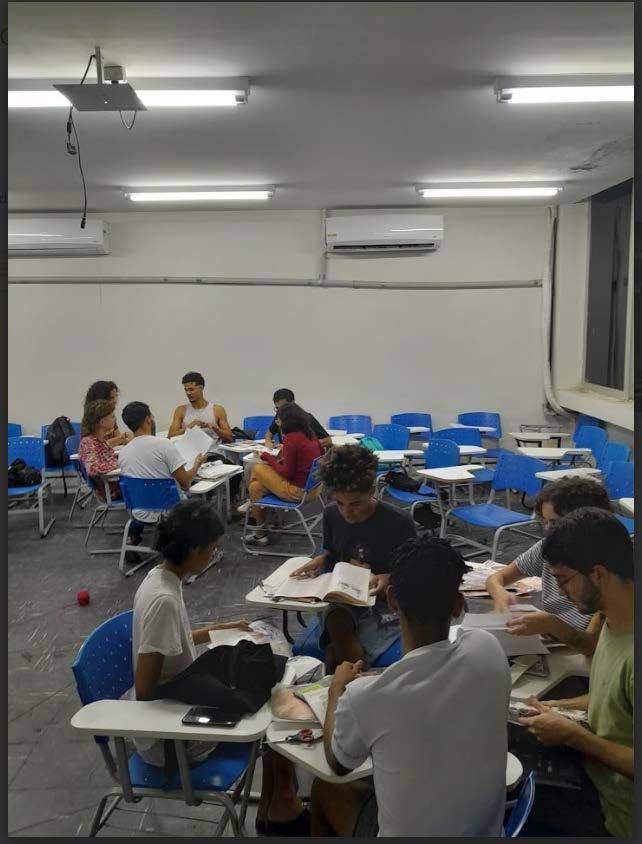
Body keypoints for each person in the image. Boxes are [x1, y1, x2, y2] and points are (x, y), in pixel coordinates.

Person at [311, 535, 512, 837]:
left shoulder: (366, 698)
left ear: (392, 599)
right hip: (486, 829)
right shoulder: (489, 650)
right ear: (458, 605)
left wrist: (335, 690)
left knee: (325, 788)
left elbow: (338, 763)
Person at [518, 508, 633, 838]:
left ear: (597, 574)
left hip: (614, 810)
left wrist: (573, 736)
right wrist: (559, 708)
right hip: (592, 769)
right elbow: (612, 699)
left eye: (564, 579)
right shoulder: (611, 616)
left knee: (491, 790)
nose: (559, 591)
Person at [131, 499, 251, 766]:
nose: (214, 554)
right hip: (168, 739)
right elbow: (145, 690)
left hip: (176, 707)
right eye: (213, 548)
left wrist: (221, 630)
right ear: (195, 550)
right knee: (258, 720)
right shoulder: (164, 600)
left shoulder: (160, 576)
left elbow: (174, 640)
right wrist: (203, 698)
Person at [291, 444, 416, 671]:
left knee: (340, 634)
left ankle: (340, 679)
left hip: (384, 601)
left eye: (355, 504)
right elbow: (333, 553)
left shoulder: (399, 522)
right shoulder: (331, 514)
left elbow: (415, 574)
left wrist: (387, 578)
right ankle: (349, 679)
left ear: (372, 491)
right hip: (345, 596)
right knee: (339, 617)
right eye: (339, 503)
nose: (346, 512)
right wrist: (322, 560)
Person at [485, 477, 612, 656]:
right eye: (545, 522)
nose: (548, 530)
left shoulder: (605, 572)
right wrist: (500, 594)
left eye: (556, 523)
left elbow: (591, 646)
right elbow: (496, 578)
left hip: (580, 654)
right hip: (553, 642)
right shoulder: (548, 548)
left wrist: (552, 625)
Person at [119, 401, 207, 549]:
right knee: (203, 504)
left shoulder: (123, 452)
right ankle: (198, 549)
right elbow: (185, 483)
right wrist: (197, 463)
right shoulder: (164, 445)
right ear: (148, 420)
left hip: (139, 512)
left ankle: (136, 540)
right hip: (171, 510)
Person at [245, 402, 322, 546]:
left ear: (286, 421)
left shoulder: (291, 438)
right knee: (255, 487)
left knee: (257, 468)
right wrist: (280, 461)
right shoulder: (310, 434)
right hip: (314, 489)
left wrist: (269, 458)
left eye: (278, 420)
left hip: (297, 492)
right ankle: (260, 534)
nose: (277, 423)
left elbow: (287, 474)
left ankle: (254, 515)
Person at [167, 372, 233, 447]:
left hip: (213, 452)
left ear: (201, 388)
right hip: (189, 453)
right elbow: (170, 437)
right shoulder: (180, 410)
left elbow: (229, 438)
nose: (188, 393)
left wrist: (216, 429)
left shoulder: (218, 410)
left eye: (191, 389)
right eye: (186, 390)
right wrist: (188, 428)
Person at [78, 399, 121, 501]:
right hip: (111, 490)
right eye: (112, 417)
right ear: (102, 422)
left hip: (116, 484)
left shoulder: (100, 440)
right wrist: (119, 466)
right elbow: (92, 468)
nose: (114, 420)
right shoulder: (88, 443)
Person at [264, 388, 331, 449]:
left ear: (293, 403)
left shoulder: (306, 418)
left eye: (283, 407)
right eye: (277, 408)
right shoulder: (279, 416)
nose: (280, 411)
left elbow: (328, 440)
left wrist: (296, 447)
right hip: (284, 454)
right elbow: (269, 433)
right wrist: (268, 442)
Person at [83, 380, 132, 447]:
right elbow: (98, 445)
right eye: (112, 398)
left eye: (116, 396)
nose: (115, 400)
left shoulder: (110, 416)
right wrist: (123, 436)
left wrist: (132, 439)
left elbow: (119, 438)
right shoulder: (91, 419)